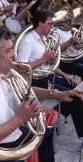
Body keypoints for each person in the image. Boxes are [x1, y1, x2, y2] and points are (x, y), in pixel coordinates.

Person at [0, 27, 83, 162]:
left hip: (10, 136)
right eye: (9, 50)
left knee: (46, 135)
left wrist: (58, 94)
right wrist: (20, 118)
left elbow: (28, 89)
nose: (14, 54)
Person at [17, 8, 83, 138]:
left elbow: (50, 65)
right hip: (38, 81)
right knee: (75, 98)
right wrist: (44, 59)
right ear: (41, 24)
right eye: (50, 23)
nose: (52, 26)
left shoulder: (44, 39)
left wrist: (64, 75)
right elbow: (21, 69)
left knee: (75, 91)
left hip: (49, 76)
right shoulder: (27, 41)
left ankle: (56, 112)